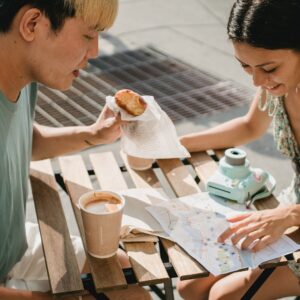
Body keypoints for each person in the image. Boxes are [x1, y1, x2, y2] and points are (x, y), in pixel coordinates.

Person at [0, 1, 151, 299]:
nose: (95, 51)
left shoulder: (22, 77)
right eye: (88, 35)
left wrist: (93, 135)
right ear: (32, 24)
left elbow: (21, 140)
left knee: (123, 275)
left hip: (14, 249)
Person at [178, 0, 300, 299]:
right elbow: (248, 127)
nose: (257, 80)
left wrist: (290, 216)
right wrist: (171, 146)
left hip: (290, 215)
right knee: (190, 286)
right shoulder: (279, 84)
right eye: (245, 66)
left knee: (224, 296)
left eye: (268, 68)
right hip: (287, 213)